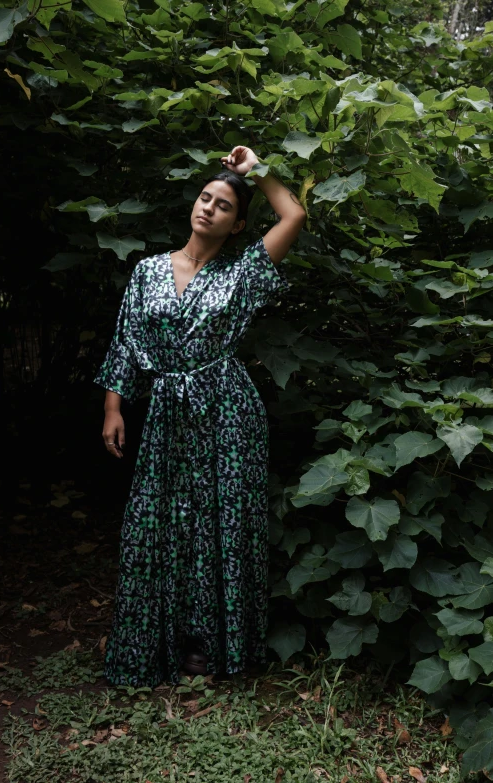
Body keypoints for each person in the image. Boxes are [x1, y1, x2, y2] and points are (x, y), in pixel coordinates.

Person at [94, 145, 306, 687]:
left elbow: (294, 214)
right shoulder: (147, 272)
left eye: (224, 206)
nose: (209, 208)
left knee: (222, 526)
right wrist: (114, 407)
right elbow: (125, 343)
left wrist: (253, 170)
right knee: (158, 521)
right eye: (205, 198)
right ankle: (157, 638)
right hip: (168, 414)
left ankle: (211, 645)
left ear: (237, 226)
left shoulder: (244, 274)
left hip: (228, 414)